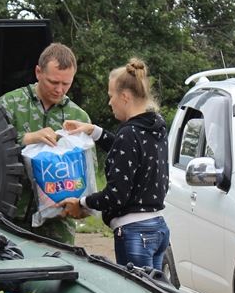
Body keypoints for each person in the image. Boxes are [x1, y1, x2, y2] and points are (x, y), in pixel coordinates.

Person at [59, 58, 170, 269]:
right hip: (158, 228)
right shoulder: (155, 126)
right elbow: (130, 153)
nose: (110, 102)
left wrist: (82, 203)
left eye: (111, 96)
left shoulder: (129, 134)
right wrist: (93, 130)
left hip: (134, 232)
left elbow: (115, 196)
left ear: (125, 97)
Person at [0, 43, 90, 244]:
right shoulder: (9, 105)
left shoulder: (78, 117)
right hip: (11, 216)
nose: (59, 90)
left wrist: (84, 207)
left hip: (57, 223)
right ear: (38, 72)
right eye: (53, 82)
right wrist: (26, 139)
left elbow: (88, 171)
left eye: (66, 84)